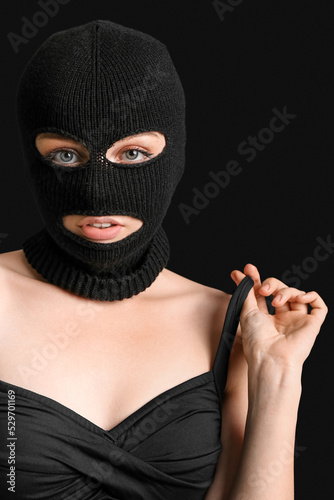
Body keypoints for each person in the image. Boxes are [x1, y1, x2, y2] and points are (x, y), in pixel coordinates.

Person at [0, 19, 327, 500]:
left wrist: (277, 374)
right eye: (66, 156)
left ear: (174, 156)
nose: (97, 197)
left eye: (132, 153)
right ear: (33, 157)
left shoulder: (228, 323)